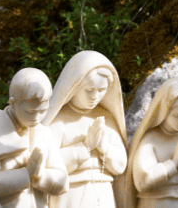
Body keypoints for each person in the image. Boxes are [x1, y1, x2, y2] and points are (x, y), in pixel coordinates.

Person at [0, 67, 68, 208]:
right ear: (12, 102)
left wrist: (40, 175)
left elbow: (63, 182)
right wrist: (26, 174)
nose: (36, 118)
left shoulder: (43, 133)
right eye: (30, 111)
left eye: (43, 111)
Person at [42, 50, 128, 208]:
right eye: (89, 90)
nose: (95, 96)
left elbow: (120, 166)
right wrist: (85, 147)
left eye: (101, 90)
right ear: (74, 86)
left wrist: (104, 148)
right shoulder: (58, 120)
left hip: (103, 193)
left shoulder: (107, 119)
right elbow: (46, 166)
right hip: (69, 194)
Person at [123, 78, 178, 208]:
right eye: (177, 115)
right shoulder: (150, 139)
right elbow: (142, 182)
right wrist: (174, 163)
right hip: (155, 203)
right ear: (164, 111)